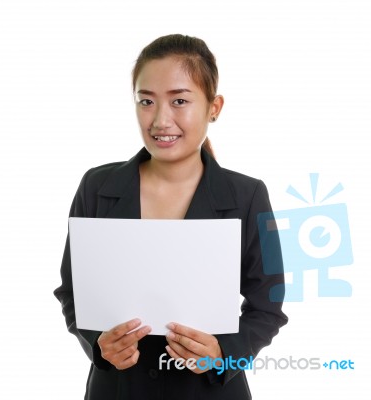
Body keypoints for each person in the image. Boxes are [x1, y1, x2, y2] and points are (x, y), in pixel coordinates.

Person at [54, 34, 288, 400]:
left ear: (214, 107)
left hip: (208, 390)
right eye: (146, 101)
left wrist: (224, 354)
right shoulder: (96, 186)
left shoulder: (249, 195)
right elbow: (71, 291)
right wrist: (99, 345)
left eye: (179, 100)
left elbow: (268, 306)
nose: (161, 120)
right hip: (118, 388)